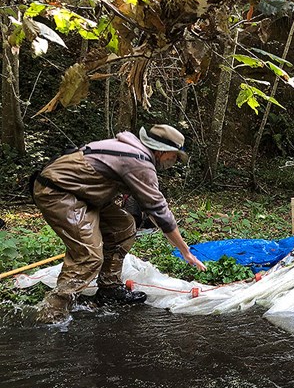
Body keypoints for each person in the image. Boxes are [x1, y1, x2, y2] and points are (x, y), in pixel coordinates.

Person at [32, 124, 206, 323]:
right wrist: (185, 251)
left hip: (85, 193)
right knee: (88, 255)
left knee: (121, 227)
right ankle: (52, 315)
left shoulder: (132, 150)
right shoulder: (139, 161)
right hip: (59, 192)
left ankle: (109, 288)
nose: (174, 162)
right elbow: (159, 211)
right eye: (174, 156)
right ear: (161, 151)